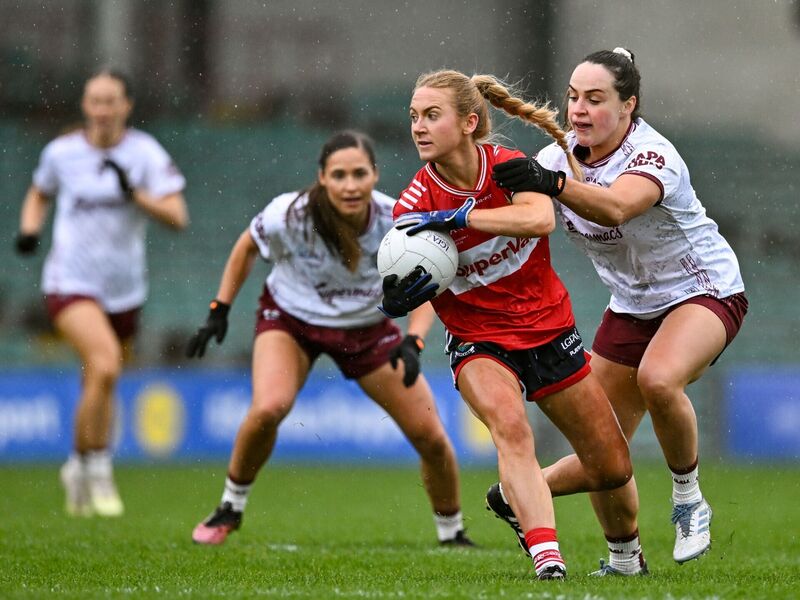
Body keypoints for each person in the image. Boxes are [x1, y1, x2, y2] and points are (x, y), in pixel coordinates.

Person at [492, 48, 748, 574]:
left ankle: (689, 499)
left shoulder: (652, 154)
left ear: (629, 105)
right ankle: (624, 559)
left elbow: (616, 206)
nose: (578, 110)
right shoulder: (556, 160)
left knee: (658, 379)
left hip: (703, 290)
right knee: (601, 450)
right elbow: (528, 216)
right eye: (572, 97)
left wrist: (553, 185)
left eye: (595, 99)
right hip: (632, 306)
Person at [381, 69, 633, 581]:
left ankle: (517, 496)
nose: (418, 127)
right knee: (511, 429)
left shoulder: (511, 167)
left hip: (549, 330)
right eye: (413, 116)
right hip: (479, 341)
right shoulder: (411, 206)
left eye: (432, 115)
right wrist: (394, 297)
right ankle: (548, 559)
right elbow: (418, 281)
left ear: (470, 122)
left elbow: (539, 220)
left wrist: (460, 218)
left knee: (611, 468)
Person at [186, 130, 474, 548]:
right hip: (291, 319)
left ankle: (452, 534)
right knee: (269, 407)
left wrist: (414, 340)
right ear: (322, 177)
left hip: (366, 329)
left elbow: (433, 281)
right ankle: (230, 506)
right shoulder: (290, 213)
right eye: (339, 175)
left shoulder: (398, 218)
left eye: (359, 173)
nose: (350, 185)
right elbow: (247, 246)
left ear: (375, 174)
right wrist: (220, 309)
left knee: (430, 435)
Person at [15, 69, 189, 517]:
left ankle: (80, 464)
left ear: (126, 106)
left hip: (125, 289)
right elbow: (39, 192)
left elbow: (176, 215)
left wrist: (134, 193)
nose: (103, 110)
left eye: (111, 101)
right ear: (85, 106)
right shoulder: (62, 153)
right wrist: (30, 229)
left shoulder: (145, 153)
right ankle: (96, 468)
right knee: (106, 363)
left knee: (101, 380)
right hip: (70, 282)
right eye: (95, 101)